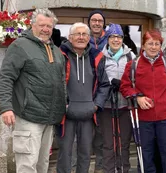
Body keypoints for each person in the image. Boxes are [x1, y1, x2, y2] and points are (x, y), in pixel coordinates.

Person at [0, 8, 66, 173]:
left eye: (49, 26)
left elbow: (61, 82)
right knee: (27, 165)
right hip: (28, 116)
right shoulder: (20, 46)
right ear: (32, 25)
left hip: (49, 119)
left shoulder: (56, 51)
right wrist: (6, 108)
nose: (45, 29)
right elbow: (5, 78)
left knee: (42, 164)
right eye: (42, 25)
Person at [120, 29, 166, 173]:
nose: (153, 47)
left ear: (161, 46)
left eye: (157, 44)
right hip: (143, 119)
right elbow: (125, 87)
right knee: (146, 156)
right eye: (150, 44)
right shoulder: (133, 65)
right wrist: (137, 97)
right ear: (143, 45)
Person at [56, 22, 110, 173]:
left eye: (84, 34)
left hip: (88, 114)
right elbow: (54, 83)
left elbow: (104, 84)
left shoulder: (96, 57)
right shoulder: (60, 55)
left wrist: (96, 105)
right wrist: (62, 104)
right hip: (65, 114)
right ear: (70, 37)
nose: (81, 37)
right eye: (77, 34)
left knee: (85, 153)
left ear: (89, 37)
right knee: (65, 154)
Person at [100, 23, 135, 173]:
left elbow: (135, 79)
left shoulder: (130, 56)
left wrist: (124, 86)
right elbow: (97, 80)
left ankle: (124, 169)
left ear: (122, 38)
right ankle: (109, 170)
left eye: (119, 37)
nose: (116, 40)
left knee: (124, 142)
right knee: (109, 143)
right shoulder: (101, 57)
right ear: (107, 39)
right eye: (112, 37)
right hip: (107, 106)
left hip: (125, 105)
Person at [87, 9, 108, 172]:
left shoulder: (112, 40)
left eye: (99, 20)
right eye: (94, 20)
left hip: (104, 100)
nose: (96, 23)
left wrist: (98, 102)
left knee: (102, 140)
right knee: (82, 141)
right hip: (83, 99)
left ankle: (100, 169)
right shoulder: (81, 40)